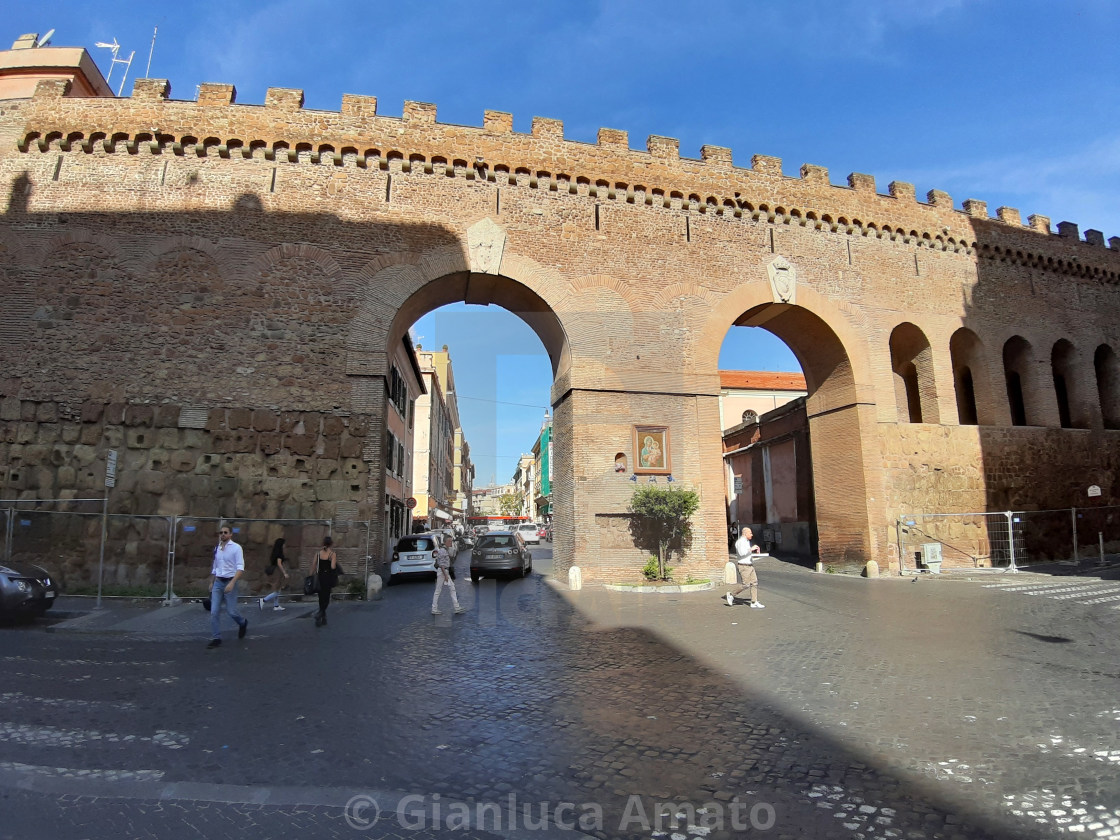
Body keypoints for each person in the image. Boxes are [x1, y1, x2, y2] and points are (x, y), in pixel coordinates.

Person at [208, 524, 249, 648]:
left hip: (230, 581)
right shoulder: (217, 549)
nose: (223, 534)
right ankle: (216, 638)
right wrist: (211, 582)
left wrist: (232, 583)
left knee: (231, 611)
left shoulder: (236, 548)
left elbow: (240, 568)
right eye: (221, 532)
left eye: (225, 532)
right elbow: (215, 567)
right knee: (214, 611)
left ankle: (242, 623)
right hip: (218, 582)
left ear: (230, 534)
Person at [726, 526, 765, 609]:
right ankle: (731, 595)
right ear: (745, 533)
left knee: (754, 582)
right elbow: (741, 553)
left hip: (750, 565)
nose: (752, 534)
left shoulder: (746, 541)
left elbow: (747, 554)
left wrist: (756, 553)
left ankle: (754, 602)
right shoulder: (740, 542)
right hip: (744, 566)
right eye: (750, 533)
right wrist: (751, 549)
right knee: (746, 584)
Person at [431, 535, 465, 615]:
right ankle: (434, 608)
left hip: (444, 571)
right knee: (439, 590)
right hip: (443, 572)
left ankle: (456, 607)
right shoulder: (443, 551)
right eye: (449, 541)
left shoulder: (446, 550)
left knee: (451, 588)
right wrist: (446, 576)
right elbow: (442, 565)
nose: (451, 543)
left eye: (451, 541)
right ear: (445, 542)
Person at [311, 535, 338, 627]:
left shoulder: (318, 553)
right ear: (331, 544)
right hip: (328, 577)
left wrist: (311, 576)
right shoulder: (332, 554)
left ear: (323, 543)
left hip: (320, 576)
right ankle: (320, 613)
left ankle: (323, 618)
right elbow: (333, 567)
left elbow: (313, 566)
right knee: (326, 597)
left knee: (320, 596)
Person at [258, 538, 290, 612]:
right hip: (277, 572)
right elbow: (279, 564)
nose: (285, 545)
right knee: (277, 591)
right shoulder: (280, 554)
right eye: (284, 544)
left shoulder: (274, 553)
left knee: (277, 589)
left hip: (274, 571)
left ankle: (276, 605)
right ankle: (263, 600)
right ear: (281, 545)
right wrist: (284, 573)